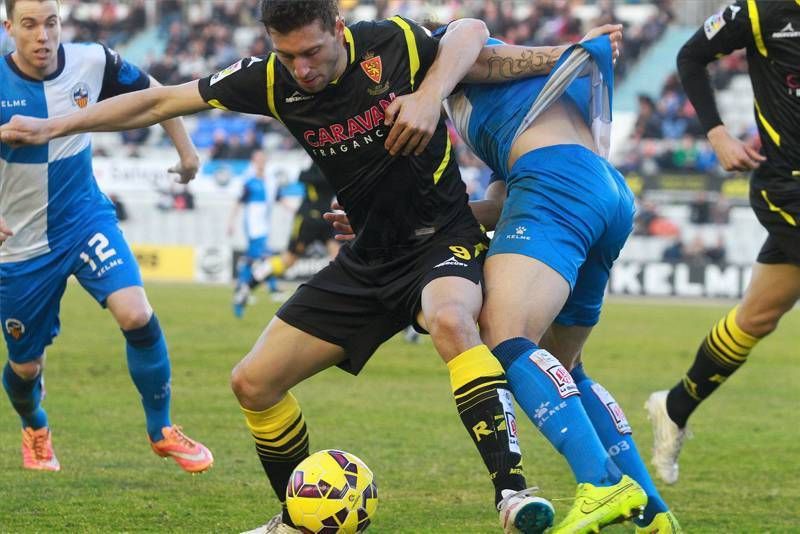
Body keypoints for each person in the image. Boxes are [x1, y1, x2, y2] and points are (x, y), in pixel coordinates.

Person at [0, 2, 624, 532]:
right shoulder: (272, 80)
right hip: (367, 259)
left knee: (452, 318)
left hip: (442, 240)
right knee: (253, 383)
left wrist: (430, 97)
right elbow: (160, 101)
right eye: (287, 55)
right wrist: (54, 126)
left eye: (312, 53)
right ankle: (293, 518)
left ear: (338, 28)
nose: (302, 69)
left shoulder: (392, 43)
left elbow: (467, 33)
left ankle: (511, 494)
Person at [329, 29, 681, 534]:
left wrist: (429, 90)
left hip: (556, 181)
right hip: (600, 189)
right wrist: (396, 221)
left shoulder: (447, 54)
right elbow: (495, 204)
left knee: (501, 335)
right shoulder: (480, 106)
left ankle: (602, 484)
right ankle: (652, 514)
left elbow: (468, 33)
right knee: (564, 366)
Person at [0, 0, 212, 473]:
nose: (42, 37)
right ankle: (35, 424)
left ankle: (161, 429)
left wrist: (187, 151)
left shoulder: (90, 61)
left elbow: (157, 93)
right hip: (20, 244)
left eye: (51, 23)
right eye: (30, 25)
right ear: (9, 27)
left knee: (136, 313)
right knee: (25, 367)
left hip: (83, 218)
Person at [645, 0, 800, 486]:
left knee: (757, 317)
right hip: (788, 186)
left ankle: (673, 407)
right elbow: (691, 56)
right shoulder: (765, 12)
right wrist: (716, 134)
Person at [232, 160, 339, 316]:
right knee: (288, 261)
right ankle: (247, 286)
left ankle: (336, 301)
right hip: (307, 219)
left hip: (327, 219)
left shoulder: (331, 166)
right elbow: (304, 177)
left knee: (339, 257)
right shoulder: (312, 169)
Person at [227, 150, 280, 317]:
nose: (261, 161)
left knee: (253, 259)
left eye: (264, 159)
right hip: (253, 223)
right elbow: (239, 201)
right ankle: (269, 289)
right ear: (253, 161)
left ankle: (242, 290)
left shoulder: (270, 181)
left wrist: (295, 210)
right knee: (264, 256)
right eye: (258, 159)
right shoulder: (248, 180)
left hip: (264, 222)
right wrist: (231, 222)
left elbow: (279, 198)